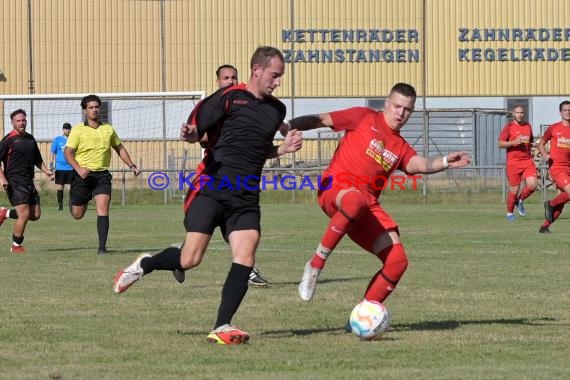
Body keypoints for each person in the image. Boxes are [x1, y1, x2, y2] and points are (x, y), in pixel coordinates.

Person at [113, 46, 303, 345]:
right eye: (274, 75)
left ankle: (222, 325)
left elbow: (258, 150)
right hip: (211, 187)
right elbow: (198, 131)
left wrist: (282, 149)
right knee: (190, 259)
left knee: (246, 255)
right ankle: (146, 264)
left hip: (246, 196)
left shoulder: (276, 110)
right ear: (257, 70)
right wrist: (190, 133)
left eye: (280, 77)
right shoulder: (229, 97)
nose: (278, 82)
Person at [285, 83, 470, 320]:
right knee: (355, 200)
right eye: (397, 106)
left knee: (397, 261)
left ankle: (364, 316)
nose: (400, 113)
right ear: (386, 103)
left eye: (407, 109)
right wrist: (288, 126)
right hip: (335, 188)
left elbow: (419, 165)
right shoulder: (363, 117)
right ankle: (315, 265)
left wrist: (444, 161)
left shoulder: (400, 146)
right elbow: (321, 119)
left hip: (365, 204)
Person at [176, 64, 269, 287]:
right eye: (225, 77)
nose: (230, 80)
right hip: (214, 174)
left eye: (234, 77)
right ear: (217, 81)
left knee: (239, 227)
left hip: (241, 179)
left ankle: (247, 269)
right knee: (196, 242)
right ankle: (179, 257)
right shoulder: (212, 106)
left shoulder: (248, 103)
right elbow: (201, 136)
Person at [64, 94, 141, 254]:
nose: (94, 110)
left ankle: (102, 248)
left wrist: (132, 165)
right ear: (85, 110)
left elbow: (119, 148)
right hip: (82, 176)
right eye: (91, 107)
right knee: (77, 214)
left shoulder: (108, 129)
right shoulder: (78, 130)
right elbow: (68, 153)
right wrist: (79, 169)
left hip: (102, 177)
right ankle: (73, 200)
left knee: (103, 208)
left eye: (96, 107)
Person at [0, 109, 54, 253]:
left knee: (35, 215)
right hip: (14, 182)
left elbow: (37, 159)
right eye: (18, 120)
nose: (21, 123)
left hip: (29, 181)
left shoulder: (30, 139)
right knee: (23, 215)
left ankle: (5, 213)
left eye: (23, 120)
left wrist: (46, 171)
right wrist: (2, 178)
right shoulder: (8, 140)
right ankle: (16, 246)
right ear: (12, 123)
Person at [497, 105, 538, 221]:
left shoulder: (528, 126)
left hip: (527, 160)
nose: (520, 115)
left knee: (533, 184)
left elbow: (530, 141)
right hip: (513, 162)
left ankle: (520, 200)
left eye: (522, 112)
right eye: (517, 112)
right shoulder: (509, 127)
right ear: (513, 114)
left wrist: (532, 144)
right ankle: (509, 213)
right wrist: (514, 142)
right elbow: (500, 144)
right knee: (514, 190)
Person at [536, 100, 570, 233]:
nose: (568, 112)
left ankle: (544, 227)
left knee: (561, 203)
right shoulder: (554, 128)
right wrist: (544, 154)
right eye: (565, 110)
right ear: (561, 112)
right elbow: (541, 143)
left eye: (569, 110)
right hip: (557, 167)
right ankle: (550, 204)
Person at [50, 122, 74, 210]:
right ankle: (60, 205)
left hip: (71, 167)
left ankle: (72, 204)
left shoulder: (73, 139)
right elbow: (53, 151)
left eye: (69, 128)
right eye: (66, 128)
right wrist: (51, 164)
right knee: (61, 186)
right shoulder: (57, 139)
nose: (67, 130)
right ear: (63, 129)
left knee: (72, 186)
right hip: (60, 167)